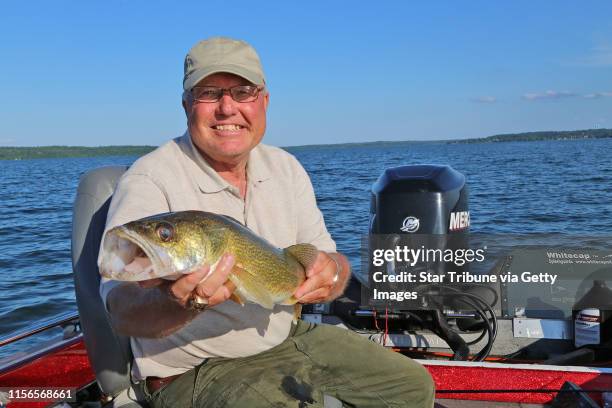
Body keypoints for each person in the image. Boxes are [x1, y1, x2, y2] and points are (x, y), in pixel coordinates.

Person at [99, 36, 435, 408]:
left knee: (413, 386)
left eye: (243, 91)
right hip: (192, 371)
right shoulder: (149, 179)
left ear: (264, 102)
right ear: (186, 105)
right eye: (209, 93)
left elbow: (334, 266)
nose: (228, 108)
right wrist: (182, 303)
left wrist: (331, 275)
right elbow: (121, 309)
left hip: (286, 337)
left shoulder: (285, 168)